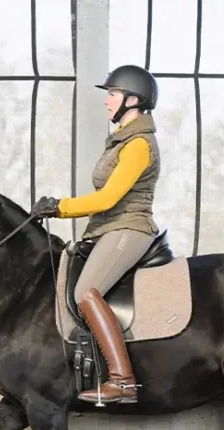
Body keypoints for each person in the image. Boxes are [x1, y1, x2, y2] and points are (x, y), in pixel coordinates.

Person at [30, 64, 162, 405]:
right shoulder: (121, 141)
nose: (107, 101)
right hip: (107, 228)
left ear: (133, 100)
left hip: (129, 227)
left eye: (113, 94)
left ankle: (123, 381)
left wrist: (60, 207)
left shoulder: (138, 145)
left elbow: (107, 199)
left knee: (86, 292)